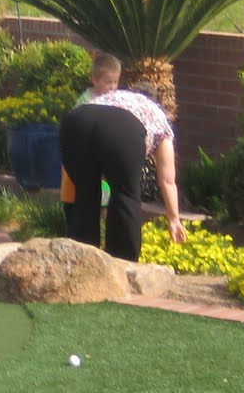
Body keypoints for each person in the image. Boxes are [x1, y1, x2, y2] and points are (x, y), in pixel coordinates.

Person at [59, 56, 188, 261]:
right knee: (125, 195)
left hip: (76, 121)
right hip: (121, 127)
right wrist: (173, 219)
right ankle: (123, 263)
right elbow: (167, 180)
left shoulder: (114, 96)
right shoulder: (159, 119)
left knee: (85, 193)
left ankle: (80, 261)